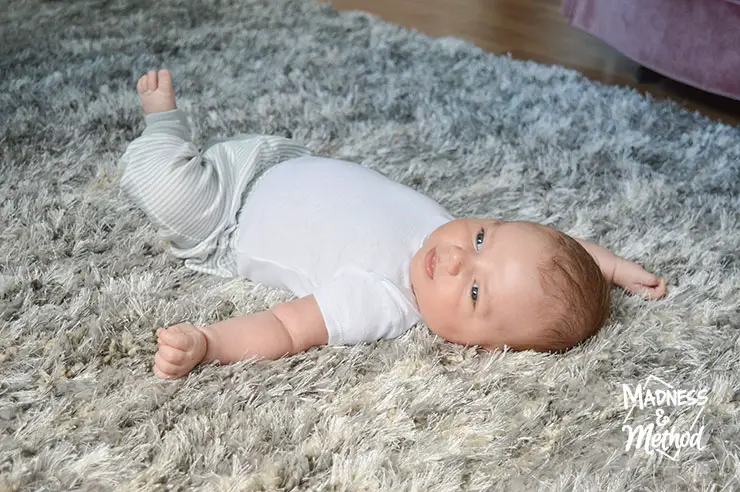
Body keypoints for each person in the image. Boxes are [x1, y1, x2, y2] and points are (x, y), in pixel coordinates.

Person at [119, 70, 667, 380]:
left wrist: (209, 343)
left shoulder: (382, 299)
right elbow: (549, 253)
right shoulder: (445, 235)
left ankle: (162, 127)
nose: (455, 256)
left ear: (479, 347)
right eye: (482, 236)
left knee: (166, 185)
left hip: (223, 217)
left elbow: (286, 328)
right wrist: (608, 266)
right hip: (278, 159)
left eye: (474, 291)